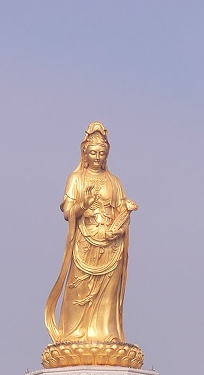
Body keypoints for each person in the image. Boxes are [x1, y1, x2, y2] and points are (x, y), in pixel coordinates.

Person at [45, 122, 138, 344]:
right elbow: (68, 212)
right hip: (85, 243)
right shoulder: (76, 178)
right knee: (78, 290)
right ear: (84, 153)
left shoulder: (114, 182)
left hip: (111, 244)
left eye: (101, 153)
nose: (97, 157)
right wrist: (82, 205)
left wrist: (122, 220)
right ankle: (72, 335)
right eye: (93, 153)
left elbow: (122, 209)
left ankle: (108, 335)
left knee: (108, 292)